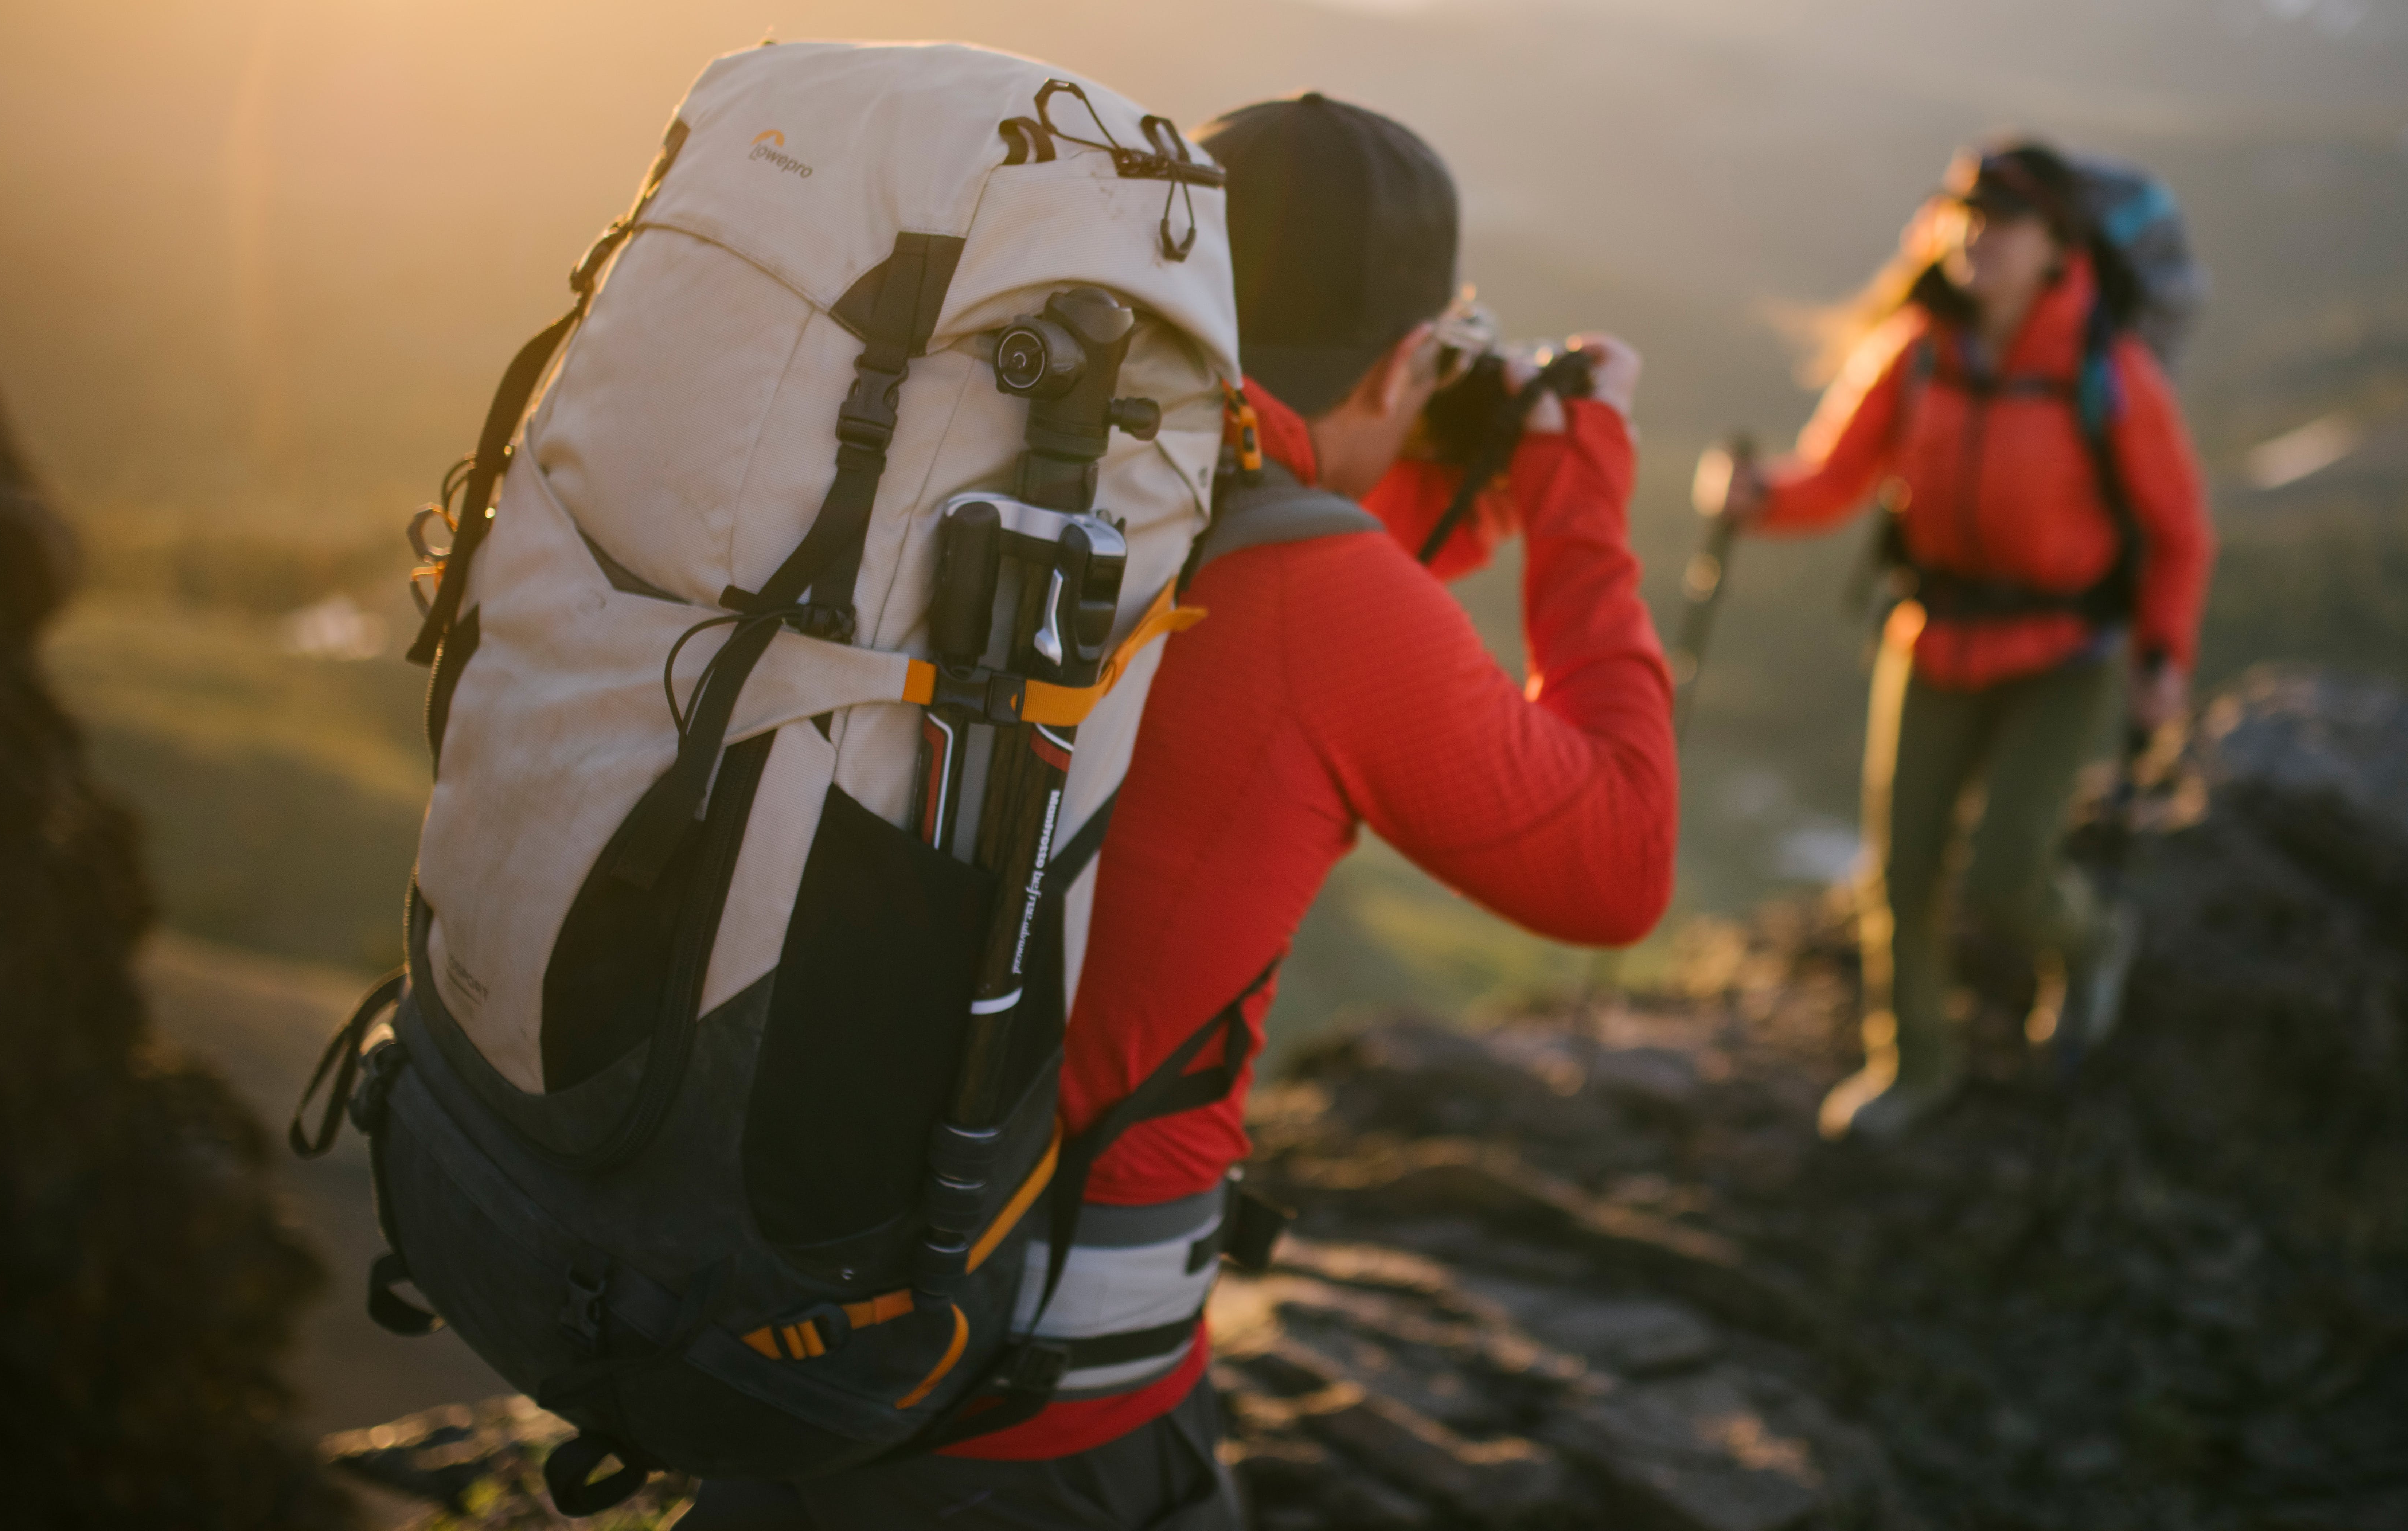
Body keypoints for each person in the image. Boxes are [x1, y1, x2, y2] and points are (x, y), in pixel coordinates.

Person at [680, 92, 1675, 1530]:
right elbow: (1621, 864)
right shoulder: (1323, 607)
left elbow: (1255, 614)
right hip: (1043, 1428)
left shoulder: (1037, 479)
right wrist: (1580, 498)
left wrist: (1437, 486)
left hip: (783, 1328)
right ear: (1411, 358)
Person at [1718, 141, 2213, 1141]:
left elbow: (2178, 531)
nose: (1977, 235)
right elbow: (1833, 478)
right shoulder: (1916, 351)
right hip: (1934, 634)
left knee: (2006, 871)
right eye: (1965, 213)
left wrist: (2162, 662)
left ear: (2058, 250)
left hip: (2062, 652)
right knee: (1900, 872)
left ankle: (2093, 940)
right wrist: (1754, 498)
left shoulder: (2107, 372)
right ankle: (1915, 1066)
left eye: (2005, 221)